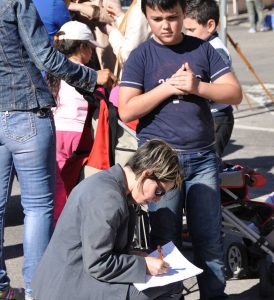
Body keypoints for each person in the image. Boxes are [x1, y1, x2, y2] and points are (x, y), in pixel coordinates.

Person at [118, 0, 242, 299]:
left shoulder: (203, 49)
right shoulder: (141, 55)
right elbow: (126, 110)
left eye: (172, 17)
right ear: (146, 17)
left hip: (202, 159)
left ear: (183, 13)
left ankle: (214, 294)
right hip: (159, 166)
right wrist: (168, 88)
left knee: (208, 238)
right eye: (157, 18)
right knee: (164, 239)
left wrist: (198, 87)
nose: (165, 25)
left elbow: (234, 92)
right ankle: (169, 295)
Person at [0, 0, 114, 299]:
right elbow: (45, 56)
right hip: (25, 108)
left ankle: (1, 288)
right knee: (37, 207)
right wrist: (92, 76)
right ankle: (39, 291)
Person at [31, 139, 183, 300]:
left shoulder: (111, 184)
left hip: (71, 276)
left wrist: (133, 255)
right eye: (159, 191)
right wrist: (143, 265)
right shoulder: (108, 198)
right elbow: (98, 263)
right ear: (146, 174)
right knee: (172, 285)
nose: (158, 200)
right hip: (68, 287)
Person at [48, 20, 103, 224]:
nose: (92, 54)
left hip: (56, 131)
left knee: (59, 185)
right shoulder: (87, 74)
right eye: (91, 48)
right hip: (80, 134)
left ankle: (58, 226)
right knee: (80, 183)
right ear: (82, 47)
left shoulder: (54, 73)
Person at [183, 0, 235, 159]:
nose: (187, 35)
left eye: (192, 30)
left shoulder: (216, 50)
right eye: (186, 30)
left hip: (217, 117)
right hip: (206, 116)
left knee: (208, 163)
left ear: (210, 26)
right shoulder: (201, 46)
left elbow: (221, 88)